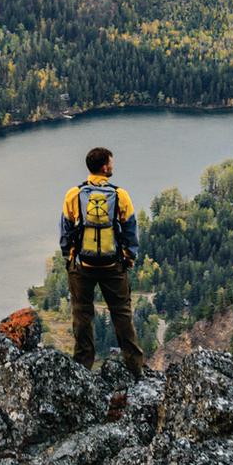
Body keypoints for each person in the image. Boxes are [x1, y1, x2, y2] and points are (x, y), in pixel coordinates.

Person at [58, 146, 144, 375]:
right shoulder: (120, 195)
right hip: (112, 266)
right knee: (122, 314)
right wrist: (129, 257)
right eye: (111, 163)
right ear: (105, 167)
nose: (113, 166)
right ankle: (135, 368)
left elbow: (65, 230)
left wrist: (69, 257)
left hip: (82, 267)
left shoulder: (73, 195)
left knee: (82, 315)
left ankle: (82, 368)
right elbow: (130, 230)